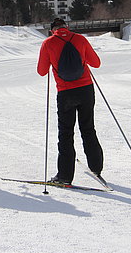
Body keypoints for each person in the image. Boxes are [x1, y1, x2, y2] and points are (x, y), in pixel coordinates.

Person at [37, 18, 103, 184]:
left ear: (53, 30)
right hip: (86, 89)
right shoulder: (79, 39)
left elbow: (41, 71)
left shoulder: (48, 43)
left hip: (65, 93)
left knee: (66, 134)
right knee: (88, 128)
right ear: (67, 27)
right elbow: (96, 63)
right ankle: (96, 167)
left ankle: (65, 176)